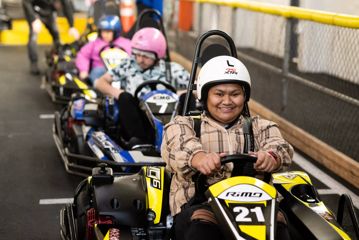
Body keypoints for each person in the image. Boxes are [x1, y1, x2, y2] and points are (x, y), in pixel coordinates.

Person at [161, 55, 294, 240]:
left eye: (235, 94)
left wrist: (271, 156)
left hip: (257, 206)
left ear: (245, 96)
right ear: (205, 94)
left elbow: (280, 146)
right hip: (202, 207)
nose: (227, 101)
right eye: (219, 94)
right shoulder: (186, 124)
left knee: (280, 228)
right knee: (201, 231)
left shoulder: (260, 126)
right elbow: (178, 145)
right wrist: (199, 158)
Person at [94, 27, 190, 148]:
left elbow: (197, 87)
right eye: (137, 54)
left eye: (146, 56)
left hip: (168, 119)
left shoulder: (171, 69)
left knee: (187, 96)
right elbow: (100, 82)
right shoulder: (129, 65)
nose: (139, 59)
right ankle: (140, 141)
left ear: (158, 54)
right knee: (125, 98)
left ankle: (185, 138)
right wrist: (119, 93)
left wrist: (179, 93)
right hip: (137, 118)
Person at [22, 0, 80, 75]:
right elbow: (26, 2)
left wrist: (72, 26)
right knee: (33, 36)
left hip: (49, 11)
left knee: (56, 35)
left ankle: (58, 60)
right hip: (35, 11)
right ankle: (34, 63)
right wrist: (33, 19)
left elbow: (66, 5)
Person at [75, 15, 131, 85]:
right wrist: (83, 70)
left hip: (121, 71)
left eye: (108, 32)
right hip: (101, 72)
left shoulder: (126, 43)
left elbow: (133, 58)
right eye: (103, 31)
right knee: (97, 71)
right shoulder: (95, 43)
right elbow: (83, 55)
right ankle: (96, 91)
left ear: (116, 32)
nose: (104, 35)